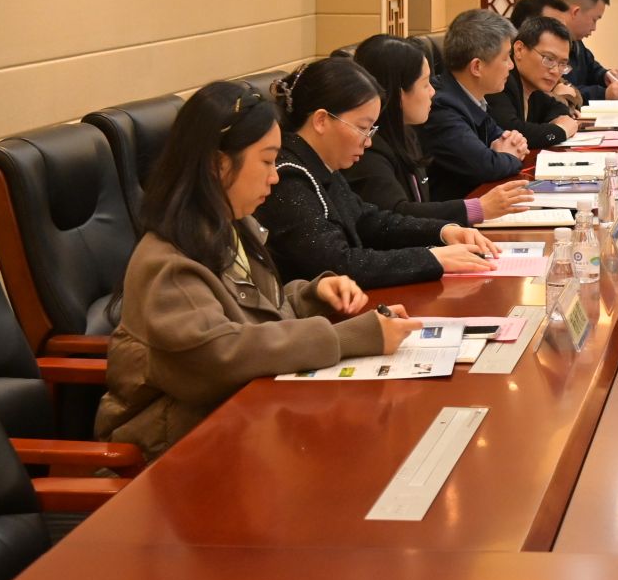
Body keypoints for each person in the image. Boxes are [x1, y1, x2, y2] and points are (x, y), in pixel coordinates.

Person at [96, 81, 417, 460]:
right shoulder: (168, 262)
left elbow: (254, 309)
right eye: (266, 161)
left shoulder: (233, 226)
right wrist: (348, 337)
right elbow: (222, 354)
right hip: (173, 454)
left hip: (241, 426)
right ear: (218, 165)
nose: (275, 176)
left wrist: (311, 295)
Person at [256, 57, 497, 288]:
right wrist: (432, 258)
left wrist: (443, 231)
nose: (368, 141)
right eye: (362, 127)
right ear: (321, 120)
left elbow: (369, 221)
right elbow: (339, 264)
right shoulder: (288, 178)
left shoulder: (319, 162)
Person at [346, 33, 532, 223]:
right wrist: (477, 208)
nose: (432, 91)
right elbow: (396, 217)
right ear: (398, 94)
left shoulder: (407, 132)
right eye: (425, 84)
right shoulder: (368, 149)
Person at [423, 8, 531, 200]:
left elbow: (506, 140)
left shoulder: (471, 97)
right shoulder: (441, 107)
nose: (511, 65)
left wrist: (508, 149)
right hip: (455, 213)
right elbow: (486, 167)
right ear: (477, 67)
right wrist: (509, 157)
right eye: (505, 57)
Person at [488, 14, 582, 150]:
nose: (556, 71)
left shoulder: (534, 88)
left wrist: (559, 122)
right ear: (519, 50)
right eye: (549, 59)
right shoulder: (500, 80)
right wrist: (561, 131)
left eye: (562, 64)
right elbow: (510, 131)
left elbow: (557, 107)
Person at [510, 0, 586, 108]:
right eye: (551, 24)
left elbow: (574, 93)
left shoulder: (551, 62)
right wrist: (556, 99)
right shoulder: (504, 74)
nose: (558, 31)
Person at [562, 0, 618, 101]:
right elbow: (563, 90)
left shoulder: (576, 42)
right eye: (594, 20)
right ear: (576, 12)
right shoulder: (550, 43)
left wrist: (605, 76)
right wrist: (603, 94)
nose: (594, 28)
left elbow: (591, 67)